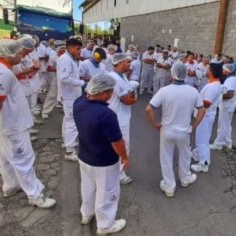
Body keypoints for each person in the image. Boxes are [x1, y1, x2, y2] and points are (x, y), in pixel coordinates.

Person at [0, 38, 56, 208]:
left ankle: (10, 185)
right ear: (7, 54)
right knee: (23, 159)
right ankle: (35, 195)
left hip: (5, 123)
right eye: (18, 52)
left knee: (6, 157)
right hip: (13, 123)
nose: (21, 55)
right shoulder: (3, 73)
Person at [73, 74, 129, 235]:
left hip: (85, 156)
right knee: (107, 192)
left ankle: (87, 213)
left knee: (88, 188)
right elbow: (117, 142)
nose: (111, 95)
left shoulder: (79, 103)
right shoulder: (107, 114)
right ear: (103, 93)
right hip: (104, 161)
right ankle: (105, 225)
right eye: (110, 92)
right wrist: (124, 158)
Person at [145, 63, 205, 197]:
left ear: (172, 74)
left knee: (166, 158)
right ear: (185, 75)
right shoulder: (193, 91)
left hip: (167, 130)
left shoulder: (164, 91)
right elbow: (201, 109)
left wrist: (155, 124)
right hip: (184, 131)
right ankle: (185, 179)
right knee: (185, 155)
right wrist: (194, 126)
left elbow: (148, 109)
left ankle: (169, 186)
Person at [107, 54, 138, 185]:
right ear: (119, 63)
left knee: (114, 145)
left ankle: (112, 172)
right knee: (123, 145)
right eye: (127, 62)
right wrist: (134, 99)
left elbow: (129, 93)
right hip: (119, 117)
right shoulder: (115, 79)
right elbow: (127, 99)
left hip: (120, 115)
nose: (130, 64)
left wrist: (131, 95)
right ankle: (120, 174)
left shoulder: (122, 77)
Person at [191, 63, 223, 173]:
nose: (206, 70)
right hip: (205, 114)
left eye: (208, 69)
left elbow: (206, 104)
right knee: (201, 137)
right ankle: (197, 154)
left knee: (202, 139)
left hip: (205, 115)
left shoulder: (213, 87)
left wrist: (195, 101)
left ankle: (204, 163)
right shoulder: (212, 84)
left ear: (212, 71)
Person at [57, 38, 85, 161]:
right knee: (72, 122)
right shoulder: (65, 59)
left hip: (71, 95)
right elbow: (64, 78)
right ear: (70, 48)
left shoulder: (71, 59)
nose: (80, 51)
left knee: (68, 120)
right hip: (69, 96)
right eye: (78, 49)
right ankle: (69, 150)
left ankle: (66, 141)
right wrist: (81, 83)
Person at [211, 64, 236, 150]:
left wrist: (217, 97)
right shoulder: (234, 79)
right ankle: (228, 142)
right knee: (227, 124)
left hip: (226, 106)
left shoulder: (230, 80)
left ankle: (218, 143)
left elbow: (229, 94)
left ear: (227, 71)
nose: (222, 71)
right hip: (230, 105)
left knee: (222, 125)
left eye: (223, 70)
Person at [42, 40, 66, 119]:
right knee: (52, 95)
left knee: (66, 95)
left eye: (64, 48)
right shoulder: (53, 57)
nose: (63, 49)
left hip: (66, 79)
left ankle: (66, 110)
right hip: (57, 78)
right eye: (61, 48)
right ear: (57, 48)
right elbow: (49, 68)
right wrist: (59, 69)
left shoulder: (67, 57)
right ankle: (45, 112)